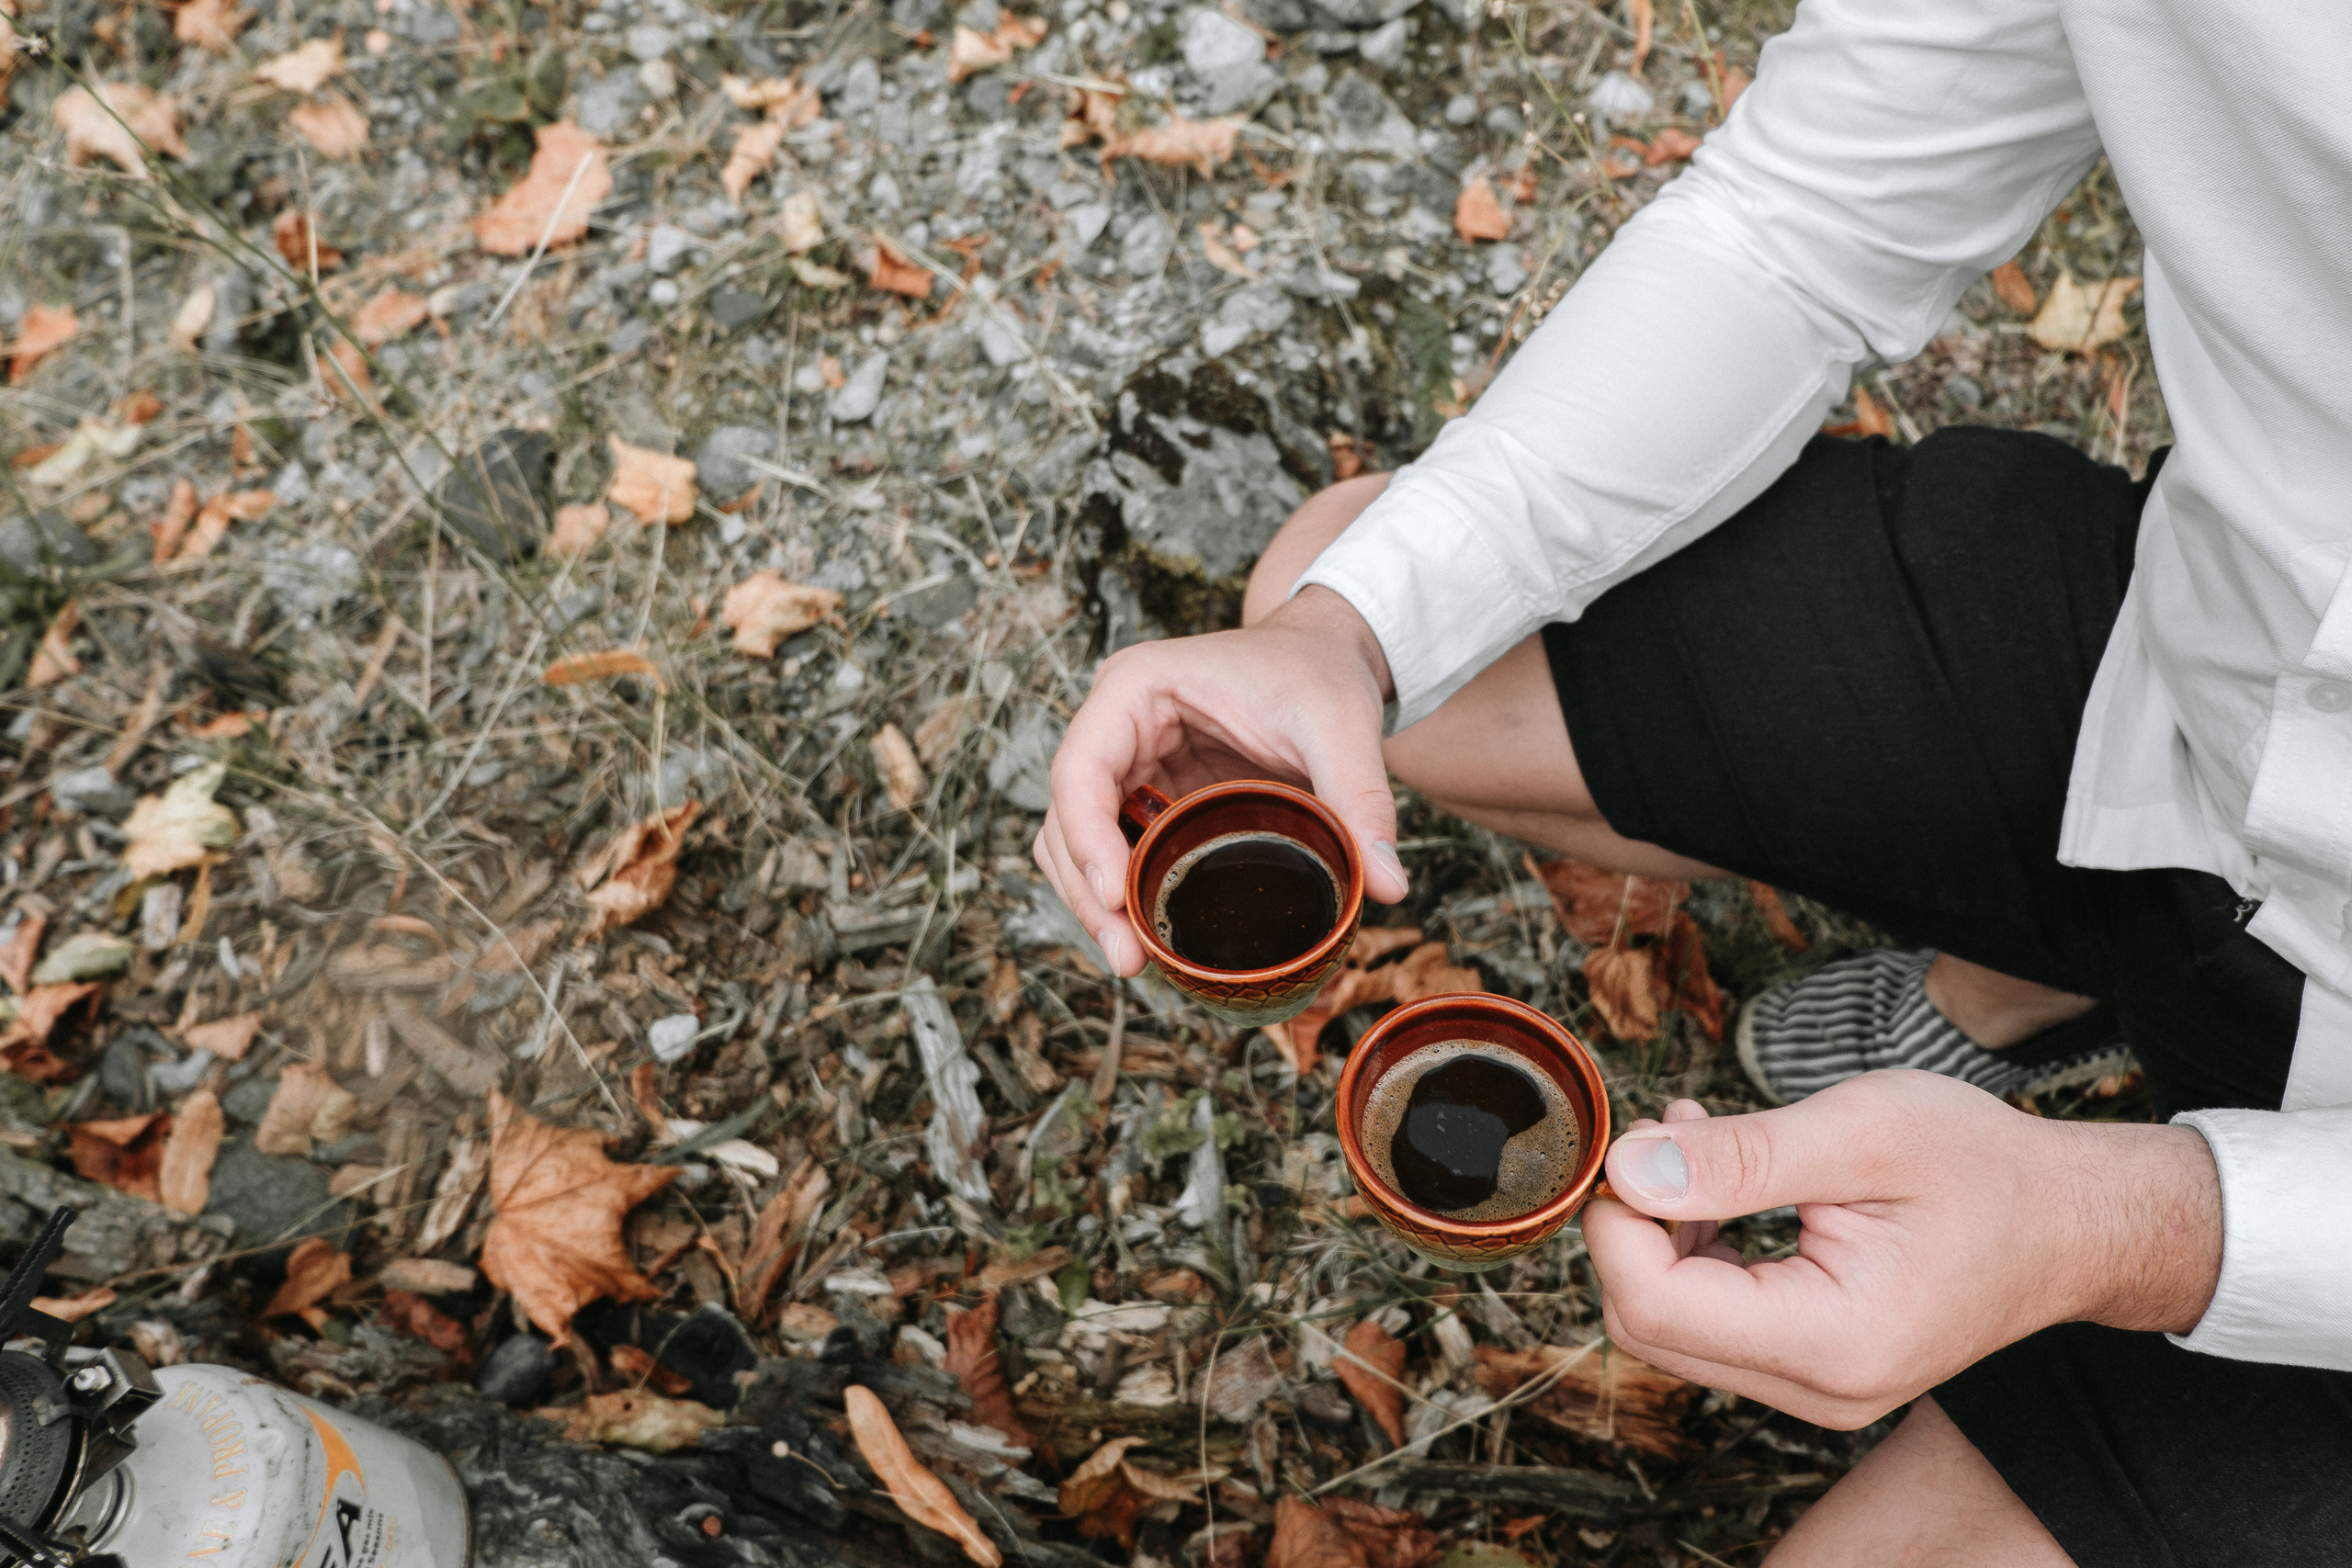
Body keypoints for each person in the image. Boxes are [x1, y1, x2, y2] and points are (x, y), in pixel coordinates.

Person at [1032, 0, 2352, 1561]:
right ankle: (2048, 969)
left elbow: (2164, 1235)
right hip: (2190, 689)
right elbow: (1809, 216)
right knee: (1366, 598)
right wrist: (1348, 634)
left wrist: (2132, 1228)